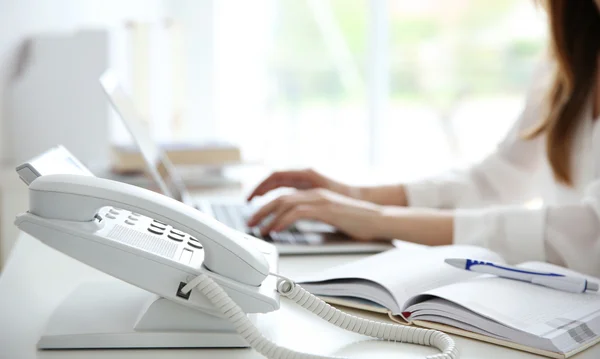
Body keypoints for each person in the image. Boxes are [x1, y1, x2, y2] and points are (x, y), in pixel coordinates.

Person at [245, 0, 600, 277]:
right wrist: (356, 197)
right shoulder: (570, 59)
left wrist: (379, 219)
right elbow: (499, 179)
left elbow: (589, 233)